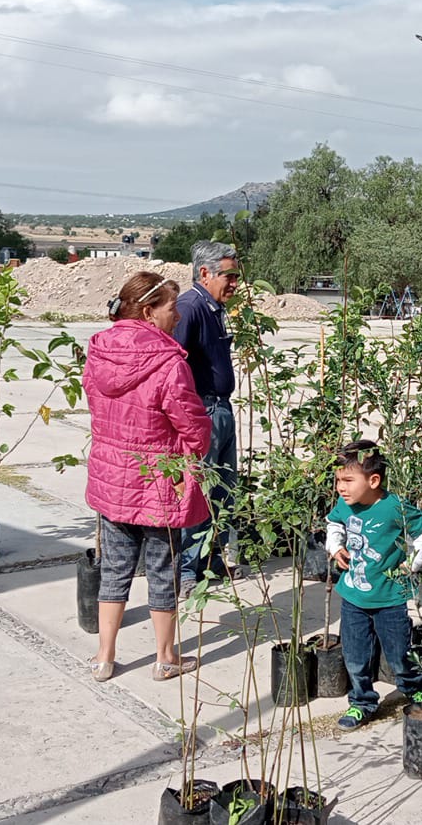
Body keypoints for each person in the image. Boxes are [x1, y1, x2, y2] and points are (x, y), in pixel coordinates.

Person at [84, 271, 209, 683]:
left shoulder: (99, 352)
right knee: (163, 567)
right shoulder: (168, 362)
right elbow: (190, 422)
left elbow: (96, 405)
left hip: (112, 475)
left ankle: (104, 657)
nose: (177, 317)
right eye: (172, 308)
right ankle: (165, 657)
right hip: (160, 480)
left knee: (114, 569)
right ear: (149, 311)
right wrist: (199, 448)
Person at [325, 440, 422, 730]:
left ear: (374, 480)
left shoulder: (393, 507)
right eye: (338, 480)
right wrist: (335, 546)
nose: (340, 487)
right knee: (355, 655)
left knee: (399, 652)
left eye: (348, 480)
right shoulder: (343, 506)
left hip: (389, 599)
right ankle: (362, 702)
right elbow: (333, 523)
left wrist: (413, 564)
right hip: (353, 598)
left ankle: (413, 689)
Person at [174, 240, 242, 596]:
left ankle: (214, 564)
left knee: (224, 491)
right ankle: (187, 570)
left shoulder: (214, 309)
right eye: (228, 276)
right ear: (205, 273)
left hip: (221, 410)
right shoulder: (190, 307)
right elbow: (173, 363)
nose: (234, 283)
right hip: (203, 412)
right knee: (198, 491)